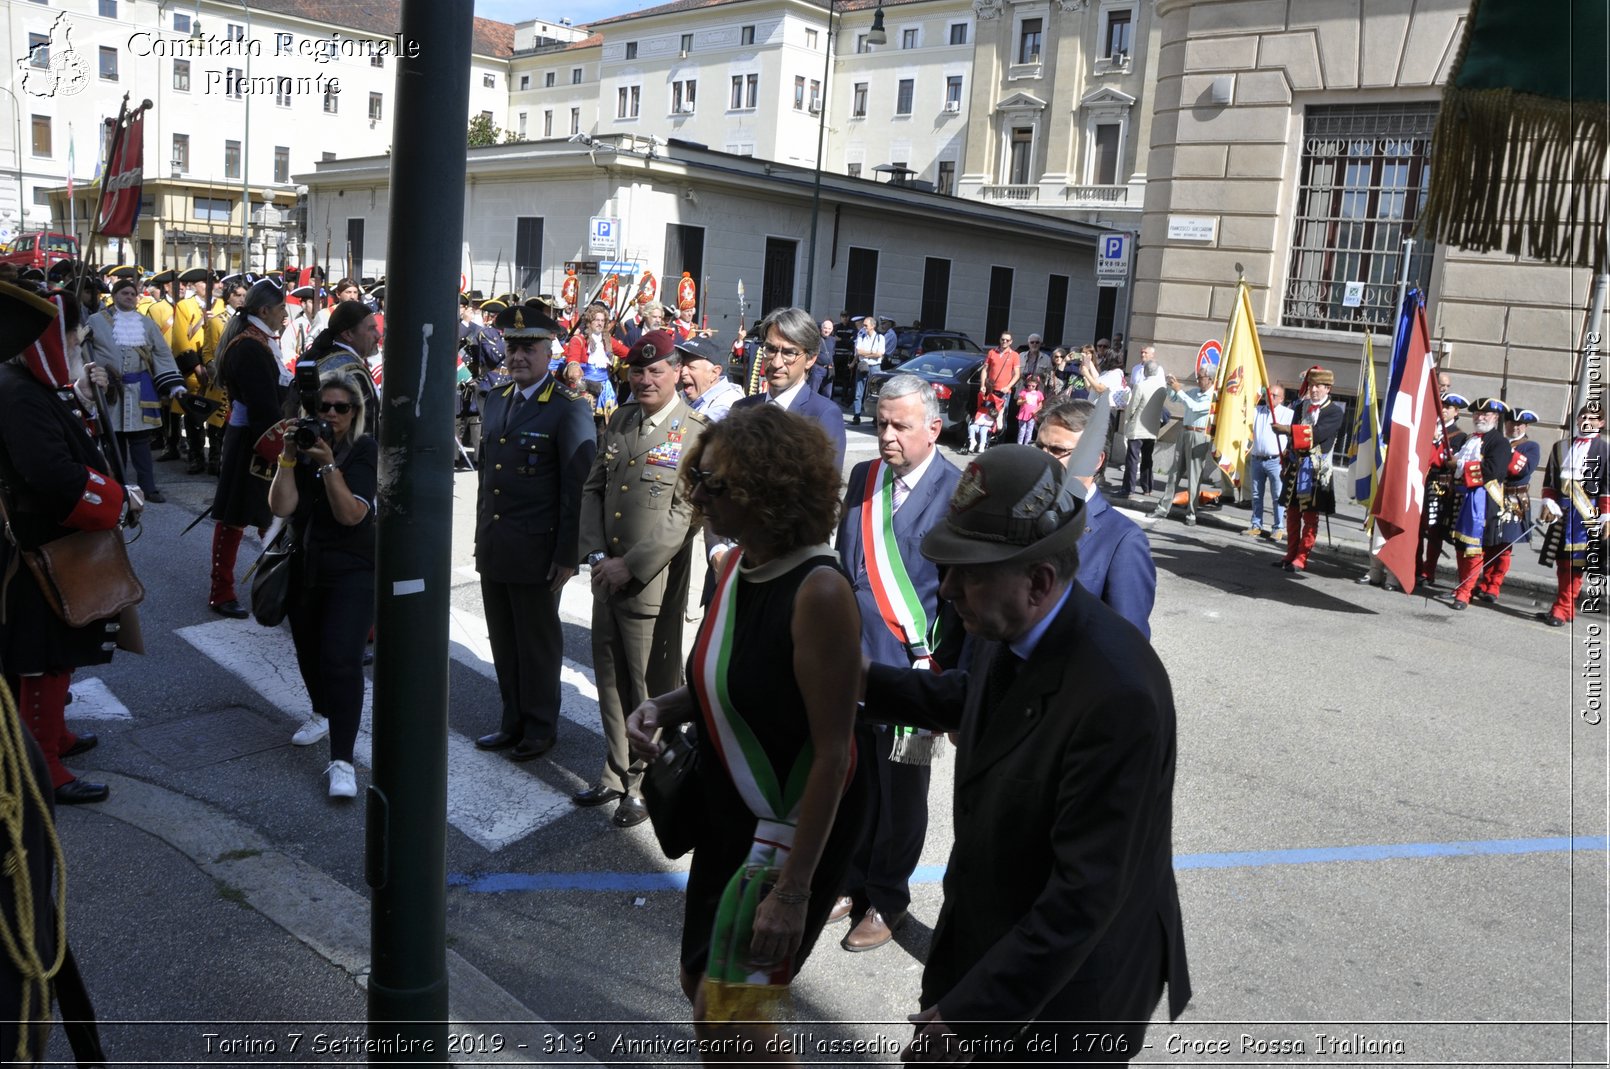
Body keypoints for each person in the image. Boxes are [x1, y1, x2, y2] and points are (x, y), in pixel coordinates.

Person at [861, 445, 1189, 1060]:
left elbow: (1083, 896)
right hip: (991, 935)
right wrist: (858, 680)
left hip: (1065, 994)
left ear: (1039, 581)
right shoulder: (1012, 619)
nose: (949, 587)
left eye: (970, 571)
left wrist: (974, 1011)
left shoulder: (1116, 694)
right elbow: (980, 696)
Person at [624, 404, 867, 1039]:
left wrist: (793, 892)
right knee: (702, 986)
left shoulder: (819, 591)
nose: (697, 495)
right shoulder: (734, 566)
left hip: (793, 822)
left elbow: (834, 754)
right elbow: (730, 673)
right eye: (697, 477)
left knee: (734, 1015)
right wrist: (665, 705)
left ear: (768, 491)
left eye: (715, 484)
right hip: (731, 817)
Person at [830, 375, 962, 953]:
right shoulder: (864, 477)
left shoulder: (960, 493)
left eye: (899, 426)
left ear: (933, 428)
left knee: (902, 795)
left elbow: (960, 600)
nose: (886, 436)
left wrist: (942, 680)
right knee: (853, 782)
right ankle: (850, 878)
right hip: (853, 667)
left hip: (913, 676)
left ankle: (887, 897)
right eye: (881, 423)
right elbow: (845, 562)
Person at [0, 283, 138, 805]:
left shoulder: (29, 383)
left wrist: (81, 398)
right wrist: (116, 500)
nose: (80, 341)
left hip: (54, 536)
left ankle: (53, 738)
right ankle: (44, 765)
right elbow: (50, 472)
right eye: (76, 333)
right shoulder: (17, 391)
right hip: (41, 541)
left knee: (62, 648)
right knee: (43, 656)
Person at [575, 331, 709, 828]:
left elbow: (687, 512)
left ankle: (648, 784)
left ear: (678, 371)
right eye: (637, 371)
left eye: (656, 370)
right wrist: (594, 553)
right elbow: (594, 487)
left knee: (652, 685)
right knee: (608, 677)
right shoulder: (622, 419)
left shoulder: (696, 431)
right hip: (604, 574)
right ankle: (615, 771)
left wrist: (629, 564)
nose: (645, 379)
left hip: (649, 583)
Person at [472, 305, 597, 762]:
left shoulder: (567, 409)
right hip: (497, 545)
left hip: (538, 549)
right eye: (512, 346)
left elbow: (577, 488)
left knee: (537, 644)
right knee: (503, 641)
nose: (518, 355)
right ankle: (512, 720)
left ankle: (540, 727)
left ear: (550, 352)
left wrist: (569, 555)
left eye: (529, 347)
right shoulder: (499, 398)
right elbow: (490, 478)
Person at [268, 373, 377, 798]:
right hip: (305, 565)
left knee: (341, 661)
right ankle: (320, 711)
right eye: (323, 408)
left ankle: (343, 760)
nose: (330, 415)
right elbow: (281, 507)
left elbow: (352, 514)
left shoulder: (363, 450)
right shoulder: (300, 449)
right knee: (309, 652)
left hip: (352, 568)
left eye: (340, 408)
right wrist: (288, 458)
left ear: (355, 413)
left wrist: (329, 463)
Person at [1036, 400, 1156, 635]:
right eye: (1039, 447)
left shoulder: (1124, 541)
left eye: (1057, 451)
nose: (1043, 458)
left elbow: (1127, 644)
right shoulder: (1019, 510)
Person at [208, 278, 292, 618]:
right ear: (265, 310)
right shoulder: (250, 347)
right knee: (235, 517)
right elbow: (264, 408)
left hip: (262, 436)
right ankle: (222, 590)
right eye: (282, 308)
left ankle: (279, 586)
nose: (286, 314)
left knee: (271, 517)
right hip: (254, 441)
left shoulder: (261, 341)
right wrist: (282, 452)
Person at [82, 273, 187, 504]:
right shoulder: (95, 321)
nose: (130, 297)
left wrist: (174, 384)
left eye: (133, 294)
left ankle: (148, 488)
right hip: (110, 392)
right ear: (114, 295)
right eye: (124, 293)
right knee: (114, 442)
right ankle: (117, 488)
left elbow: (161, 352)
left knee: (141, 442)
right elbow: (83, 350)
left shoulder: (147, 324)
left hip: (140, 391)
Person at [732, 307, 848, 469]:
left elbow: (825, 488)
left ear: (810, 359)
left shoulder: (823, 415)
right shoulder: (741, 409)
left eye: (789, 353)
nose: (777, 363)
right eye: (771, 350)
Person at [1537, 400, 1608, 627]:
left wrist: (1606, 516)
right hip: (1563, 512)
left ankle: (1560, 608)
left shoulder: (1605, 450)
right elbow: (1550, 480)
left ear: (1601, 423)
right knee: (1561, 562)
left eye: (1591, 418)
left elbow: (1608, 487)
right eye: (1582, 417)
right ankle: (1566, 608)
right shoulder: (1560, 446)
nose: (1586, 421)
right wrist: (1549, 502)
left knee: (1575, 565)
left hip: (1587, 516)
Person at [1273, 366, 1346, 572]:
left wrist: (1287, 429)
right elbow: (1292, 440)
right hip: (1296, 467)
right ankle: (1290, 553)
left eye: (1318, 387)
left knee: (1310, 516)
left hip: (1314, 470)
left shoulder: (1335, 412)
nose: (1314, 390)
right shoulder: (1300, 407)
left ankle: (1302, 557)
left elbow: (1317, 434)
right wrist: (1286, 459)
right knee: (1292, 513)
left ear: (1328, 388)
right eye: (1312, 386)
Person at [1446, 397, 1513, 609]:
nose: (1480, 417)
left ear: (1495, 417)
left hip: (1482, 503)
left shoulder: (1499, 442)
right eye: (1477, 414)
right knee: (1460, 546)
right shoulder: (1469, 439)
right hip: (1461, 497)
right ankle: (1463, 585)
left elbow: (1494, 471)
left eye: (1485, 414)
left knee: (1473, 548)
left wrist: (1460, 465)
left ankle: (1465, 593)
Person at [1472, 407, 1541, 606]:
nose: (1514, 427)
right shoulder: (1494, 441)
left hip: (1513, 499)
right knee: (1488, 543)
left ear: (1525, 426)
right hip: (1492, 497)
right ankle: (1483, 582)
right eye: (1511, 423)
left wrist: (1505, 449)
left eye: (1519, 424)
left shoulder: (1530, 446)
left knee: (1504, 547)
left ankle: (1494, 586)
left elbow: (1520, 470)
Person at [1150, 367, 1215, 526]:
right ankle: (1163, 507)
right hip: (1185, 432)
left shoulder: (1213, 396)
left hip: (1199, 435)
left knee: (1194, 476)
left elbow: (1195, 407)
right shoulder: (1194, 391)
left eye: (1201, 377)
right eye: (1198, 377)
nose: (1198, 380)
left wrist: (1179, 390)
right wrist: (1170, 385)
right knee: (1174, 473)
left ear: (1210, 378)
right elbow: (1175, 398)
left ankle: (1191, 513)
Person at [1416, 392, 1467, 587]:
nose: (1443, 410)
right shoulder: (1428, 429)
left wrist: (1434, 441)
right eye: (1441, 406)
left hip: (1441, 487)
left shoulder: (1459, 436)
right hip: (1423, 483)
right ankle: (1416, 568)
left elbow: (1441, 461)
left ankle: (1429, 571)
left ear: (1456, 412)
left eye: (1448, 407)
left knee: (1435, 533)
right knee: (1418, 531)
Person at [301, 299, 382, 419]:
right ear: (348, 334)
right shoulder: (353, 372)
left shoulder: (326, 356)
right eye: (371, 328)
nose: (378, 335)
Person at [1245, 383, 1291, 537]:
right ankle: (1256, 524)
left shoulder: (1287, 414)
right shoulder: (1257, 411)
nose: (1270, 398)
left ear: (1282, 398)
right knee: (1257, 494)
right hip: (1257, 459)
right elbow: (1242, 410)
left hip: (1275, 460)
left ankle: (1278, 527)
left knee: (1278, 495)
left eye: (1274, 395)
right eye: (1268, 394)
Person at [1120, 347, 1166, 498]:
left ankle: (1128, 489)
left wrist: (1127, 421)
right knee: (1148, 459)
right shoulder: (1162, 388)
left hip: (1138, 427)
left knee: (1132, 459)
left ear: (1145, 371)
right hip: (1152, 428)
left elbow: (1132, 407)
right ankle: (1147, 488)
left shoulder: (1141, 385)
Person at [678, 336, 743, 421]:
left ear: (714, 373)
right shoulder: (686, 395)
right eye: (681, 366)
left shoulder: (725, 405)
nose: (683, 372)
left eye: (691, 367)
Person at [850, 316, 884, 426]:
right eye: (863, 325)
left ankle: (875, 417)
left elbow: (879, 354)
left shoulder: (880, 338)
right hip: (863, 365)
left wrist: (866, 353)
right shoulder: (861, 335)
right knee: (858, 392)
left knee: (875, 392)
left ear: (873, 326)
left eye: (866, 325)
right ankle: (857, 416)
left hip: (875, 367)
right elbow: (859, 351)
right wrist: (871, 353)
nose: (864, 327)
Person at [1014, 374, 1045, 445]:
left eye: (1033, 386)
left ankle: (1026, 445)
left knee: (1029, 431)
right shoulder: (1024, 392)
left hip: (1032, 416)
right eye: (1029, 385)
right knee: (1022, 430)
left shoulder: (1039, 394)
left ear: (1037, 385)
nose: (1030, 387)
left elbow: (1040, 405)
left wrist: (1036, 411)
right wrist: (1024, 401)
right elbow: (1018, 403)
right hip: (1023, 415)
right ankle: (1019, 445)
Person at [811, 319, 836, 398]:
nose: (827, 330)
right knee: (813, 392)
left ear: (832, 329)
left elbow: (833, 352)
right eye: (825, 328)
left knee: (827, 394)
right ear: (821, 328)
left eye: (829, 329)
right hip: (818, 369)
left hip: (829, 370)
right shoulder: (816, 339)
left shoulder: (833, 340)